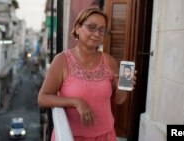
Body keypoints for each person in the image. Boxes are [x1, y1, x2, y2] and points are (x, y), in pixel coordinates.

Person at [37, 7, 136, 141]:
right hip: (72, 137)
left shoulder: (109, 61)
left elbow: (119, 100)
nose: (97, 34)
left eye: (102, 30)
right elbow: (42, 98)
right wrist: (76, 102)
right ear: (78, 28)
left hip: (106, 136)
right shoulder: (62, 60)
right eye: (91, 27)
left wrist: (121, 87)